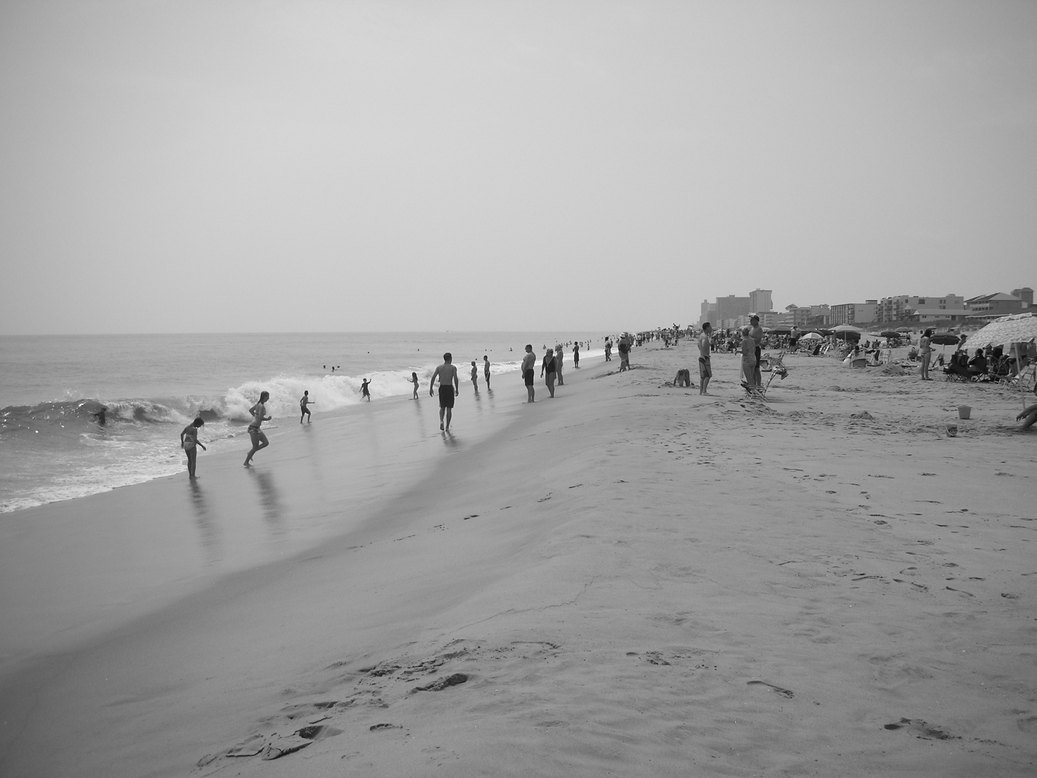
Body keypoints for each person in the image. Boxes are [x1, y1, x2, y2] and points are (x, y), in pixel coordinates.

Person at [429, 352, 459, 431]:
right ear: (450, 359)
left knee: (442, 407)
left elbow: (433, 377)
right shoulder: (453, 368)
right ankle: (447, 426)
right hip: (449, 387)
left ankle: (441, 421)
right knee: (449, 408)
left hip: (442, 388)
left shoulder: (439, 367)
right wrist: (457, 389)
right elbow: (455, 379)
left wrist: (431, 388)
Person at [243, 391, 271, 467]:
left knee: (265, 443)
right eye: (268, 396)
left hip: (257, 428)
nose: (268, 398)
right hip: (253, 429)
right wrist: (267, 419)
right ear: (264, 397)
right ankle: (246, 462)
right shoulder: (261, 406)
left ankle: (250, 452)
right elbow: (260, 418)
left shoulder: (258, 404)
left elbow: (251, 411)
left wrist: (255, 416)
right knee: (255, 447)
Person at [749, 314, 764, 389]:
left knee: (756, 368)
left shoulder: (759, 329)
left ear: (756, 321)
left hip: (756, 349)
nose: (750, 321)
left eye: (752, 320)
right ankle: (753, 384)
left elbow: (758, 340)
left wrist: (749, 339)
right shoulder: (752, 328)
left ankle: (759, 385)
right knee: (752, 368)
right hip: (751, 349)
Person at [698, 323, 713, 395]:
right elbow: (703, 345)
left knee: (703, 376)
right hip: (705, 357)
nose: (711, 328)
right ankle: (704, 391)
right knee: (708, 375)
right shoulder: (705, 337)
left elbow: (698, 345)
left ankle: (701, 391)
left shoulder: (701, 335)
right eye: (710, 327)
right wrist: (704, 354)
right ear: (707, 328)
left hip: (701, 356)